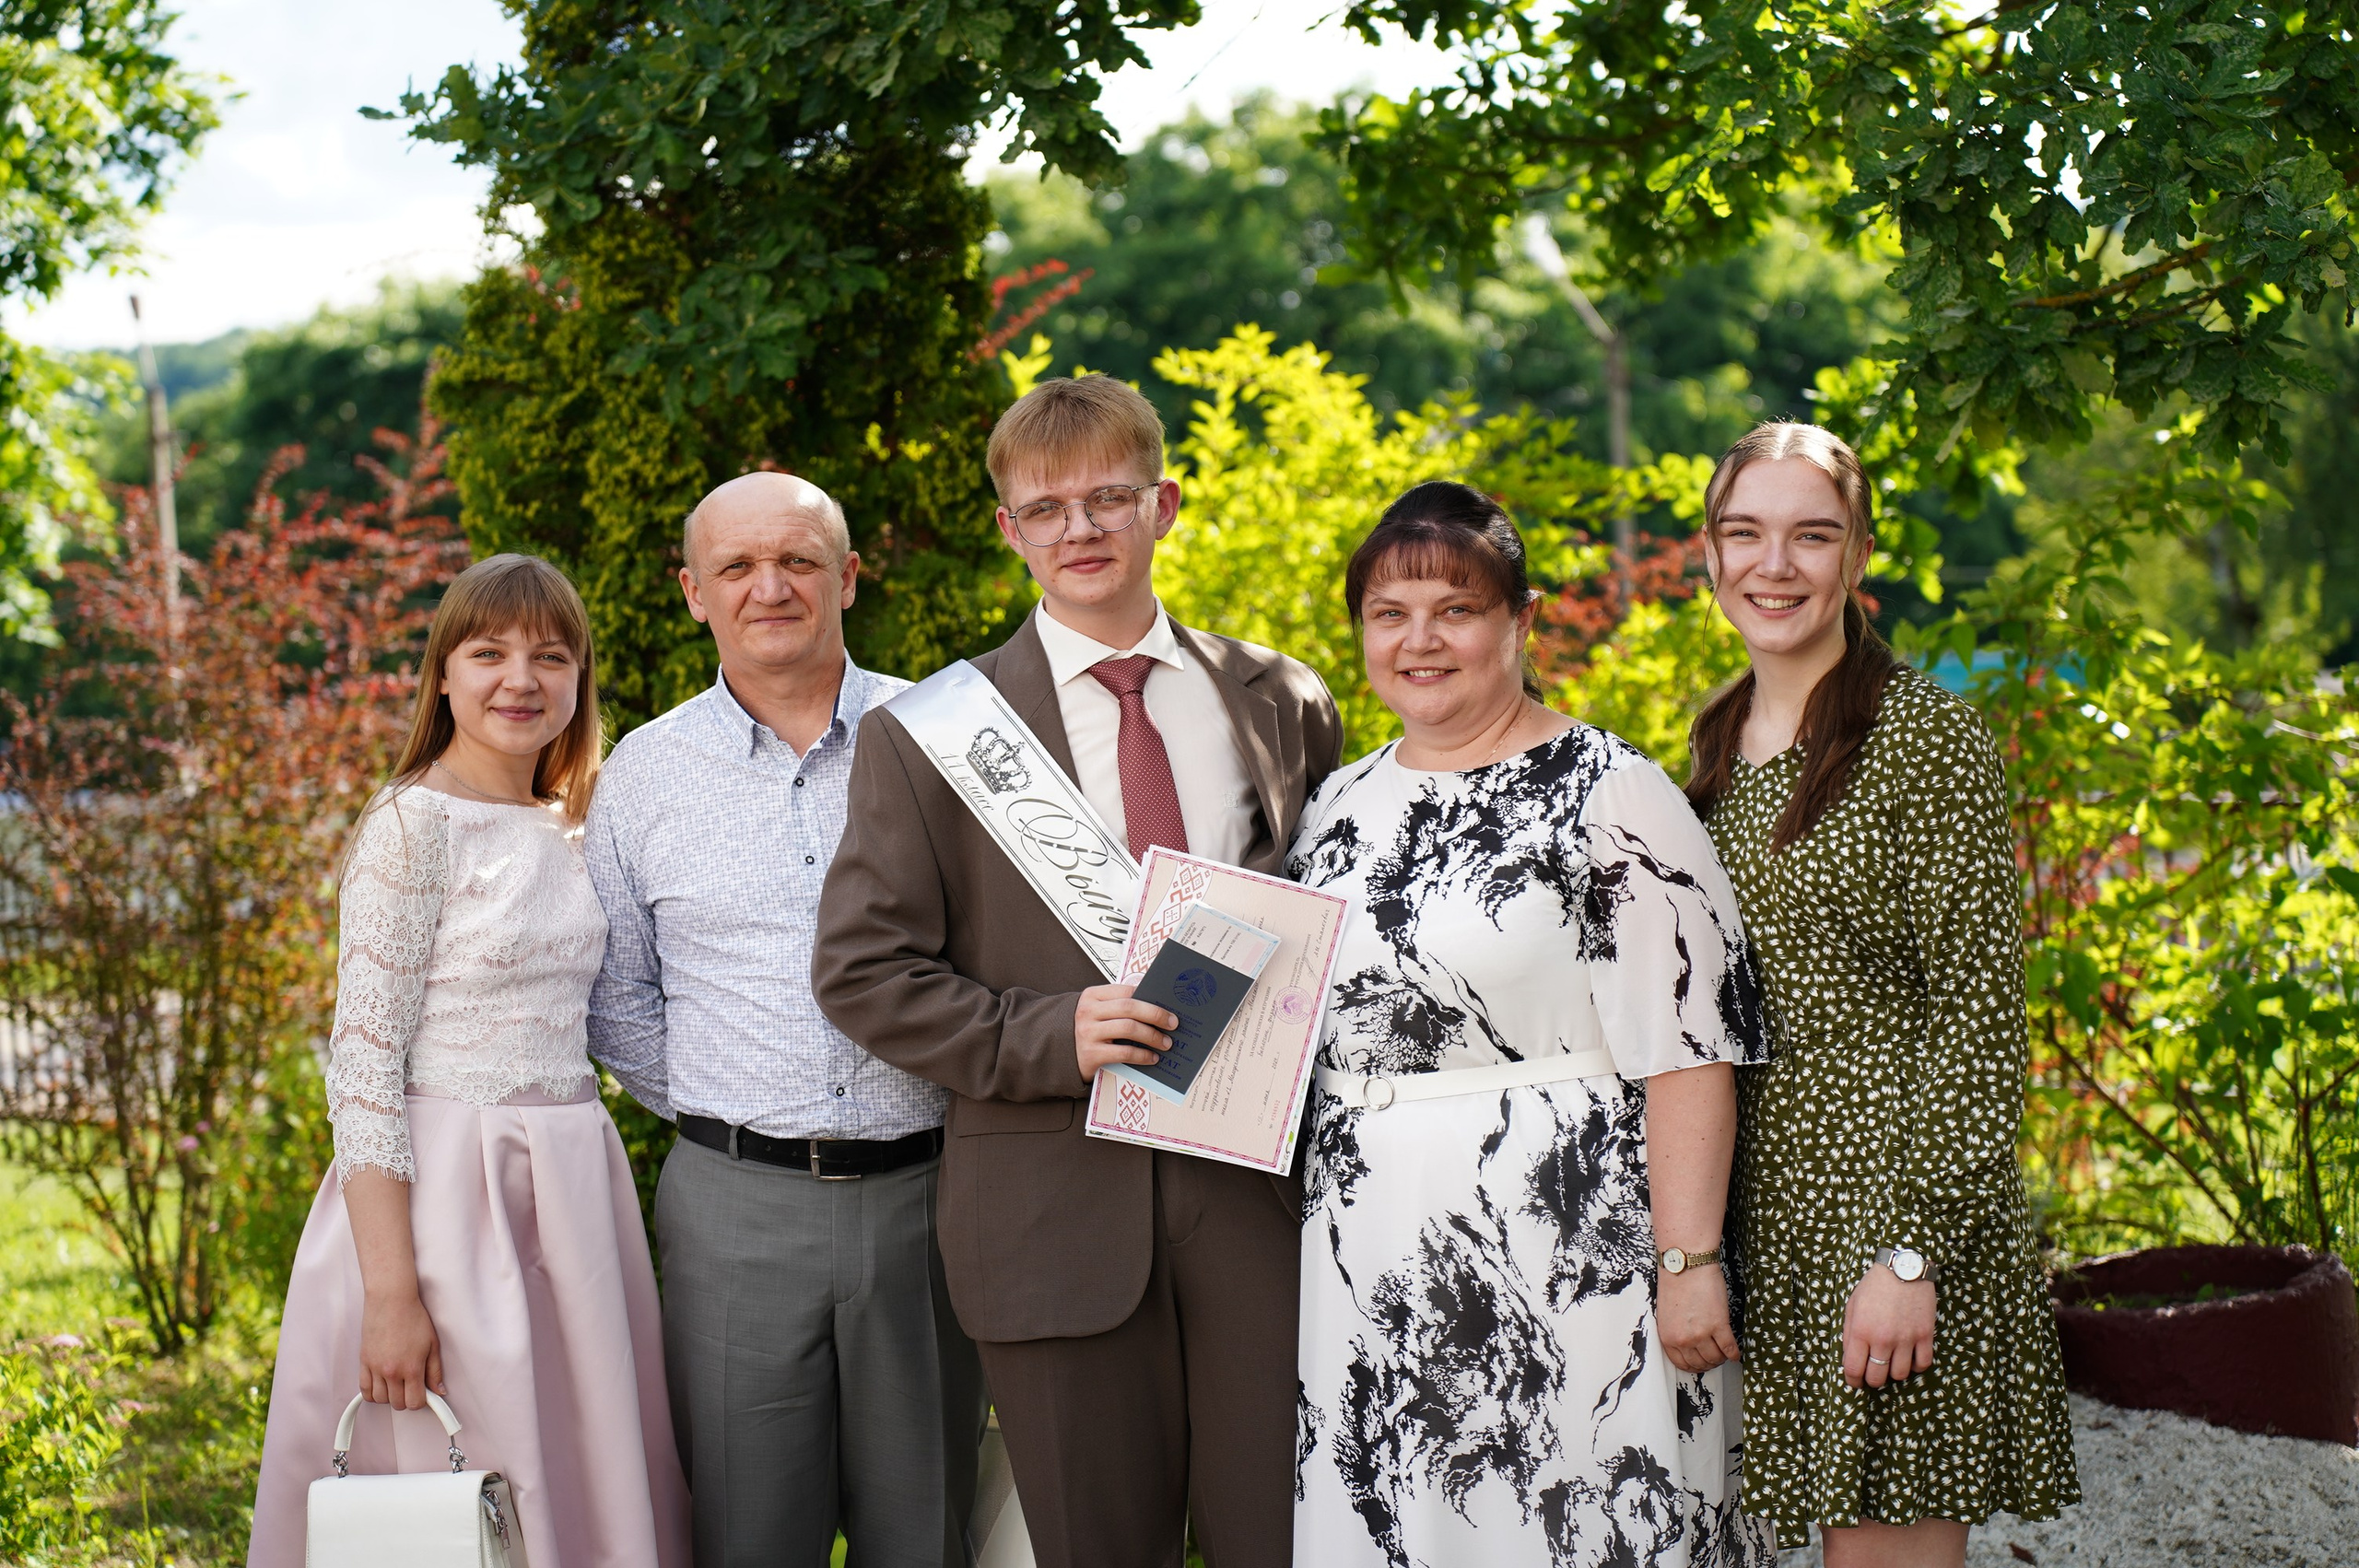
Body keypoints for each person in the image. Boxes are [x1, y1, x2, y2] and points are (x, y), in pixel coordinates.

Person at [813, 374, 1343, 1568]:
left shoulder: (1281, 701)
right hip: (1051, 1205)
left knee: (1290, 1542)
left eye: (1109, 498)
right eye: (1047, 509)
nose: (1082, 530)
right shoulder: (934, 733)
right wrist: (1053, 1034)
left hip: (1260, 1203)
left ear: (1164, 502)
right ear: (1009, 530)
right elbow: (861, 971)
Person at [1286, 481, 1775, 1566]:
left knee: (1575, 1520)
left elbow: (1689, 1047)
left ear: (1521, 619)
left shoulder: (1611, 794)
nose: (1419, 640)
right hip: (1367, 1254)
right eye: (1388, 613)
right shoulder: (1336, 804)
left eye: (1453, 609)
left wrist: (1690, 1258)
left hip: (1563, 1252)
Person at [1684, 422, 2078, 1565]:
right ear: (1708, 555)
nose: (1775, 565)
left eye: (1812, 535)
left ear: (1859, 554)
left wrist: (1913, 1254)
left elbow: (1977, 1011)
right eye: (1745, 533)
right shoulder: (1716, 741)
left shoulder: (1922, 734)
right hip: (1770, 1218)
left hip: (1891, 1218)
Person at [249, 554, 690, 1568]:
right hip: (447, 1199)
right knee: (468, 1478)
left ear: (580, 678)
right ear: (443, 675)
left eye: (550, 654)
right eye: (487, 653)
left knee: (582, 1463)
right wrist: (391, 1293)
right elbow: (361, 1070)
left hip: (573, 1188)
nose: (519, 678)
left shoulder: (581, 824)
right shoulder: (412, 826)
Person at [585, 472, 983, 1568]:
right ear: (693, 594)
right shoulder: (645, 772)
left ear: (848, 578)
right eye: (738, 568)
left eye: (799, 561)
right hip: (733, 1212)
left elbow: (1003, 955)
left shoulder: (945, 736)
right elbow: (619, 997)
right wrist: (741, 1105)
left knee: (925, 1535)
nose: (771, 587)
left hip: (930, 1202)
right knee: (747, 1539)